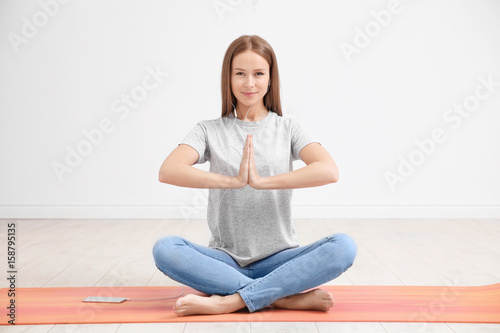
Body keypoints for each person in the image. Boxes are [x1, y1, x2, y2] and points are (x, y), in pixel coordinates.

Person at [152, 34, 357, 316]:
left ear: (270, 78)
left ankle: (231, 299)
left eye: (258, 73)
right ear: (228, 78)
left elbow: (328, 170)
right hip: (224, 259)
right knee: (165, 249)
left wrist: (262, 183)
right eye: (240, 74)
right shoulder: (209, 129)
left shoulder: (289, 128)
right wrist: (233, 182)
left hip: (281, 258)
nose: (249, 83)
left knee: (343, 247)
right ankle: (280, 296)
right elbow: (169, 170)